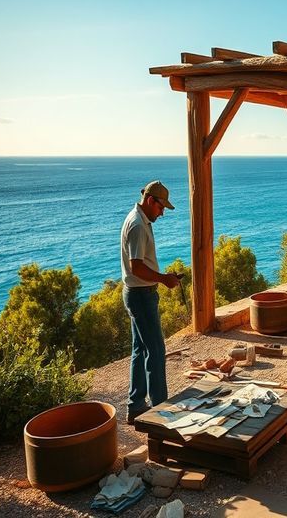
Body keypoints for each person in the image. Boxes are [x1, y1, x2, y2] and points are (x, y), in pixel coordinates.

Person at [120, 180, 181, 425]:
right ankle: (161, 411)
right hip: (140, 295)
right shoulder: (137, 225)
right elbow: (136, 267)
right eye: (161, 207)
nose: (162, 212)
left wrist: (162, 277)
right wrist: (163, 279)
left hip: (137, 293)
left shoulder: (140, 219)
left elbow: (140, 264)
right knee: (156, 350)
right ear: (149, 200)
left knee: (140, 350)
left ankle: (135, 407)